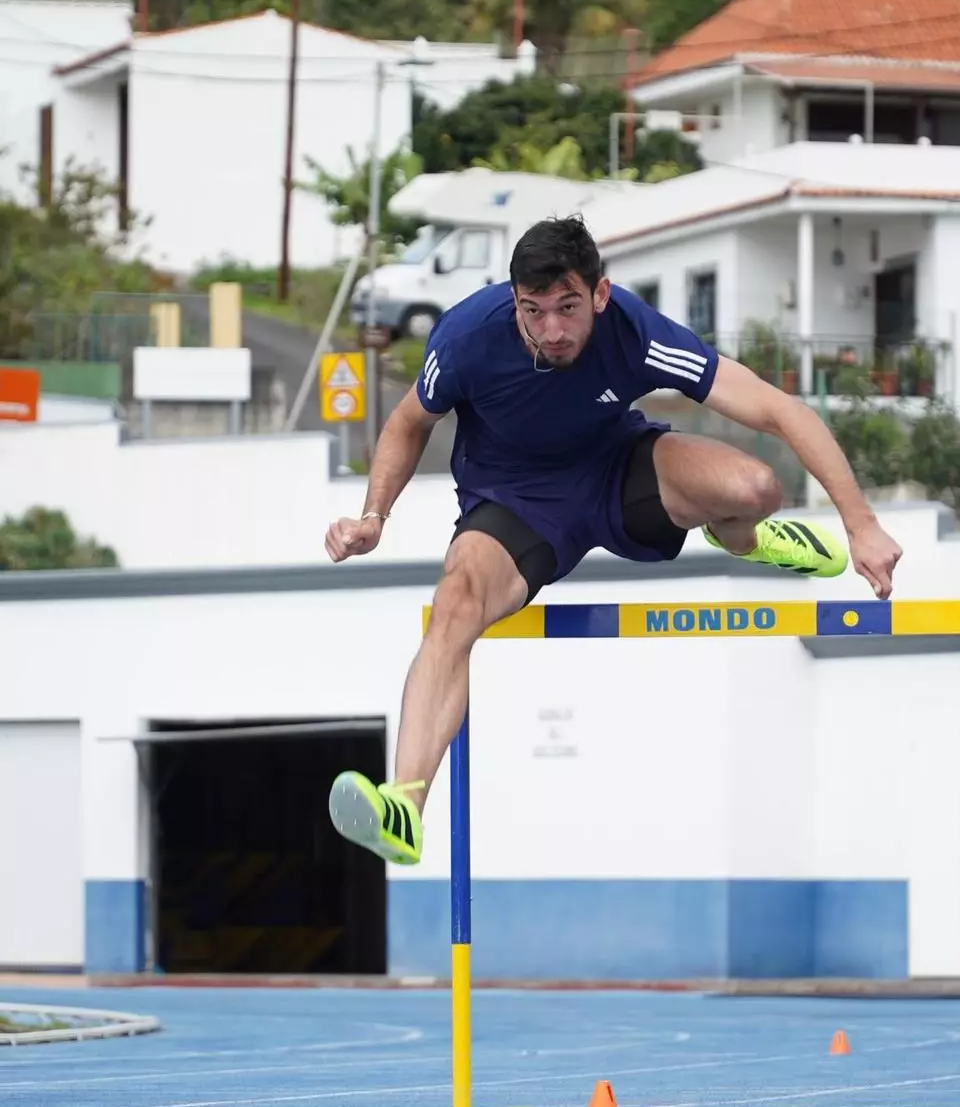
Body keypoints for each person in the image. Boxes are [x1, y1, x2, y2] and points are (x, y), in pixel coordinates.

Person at [324, 215, 902, 866]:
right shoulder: (466, 338)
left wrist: (860, 524)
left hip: (620, 473)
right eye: (533, 311)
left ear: (599, 294)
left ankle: (743, 539)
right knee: (454, 605)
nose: (551, 330)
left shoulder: (636, 332)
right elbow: (408, 424)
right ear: (513, 300)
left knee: (757, 486)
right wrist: (374, 515)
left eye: (568, 307)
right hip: (515, 503)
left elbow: (777, 408)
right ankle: (404, 807)